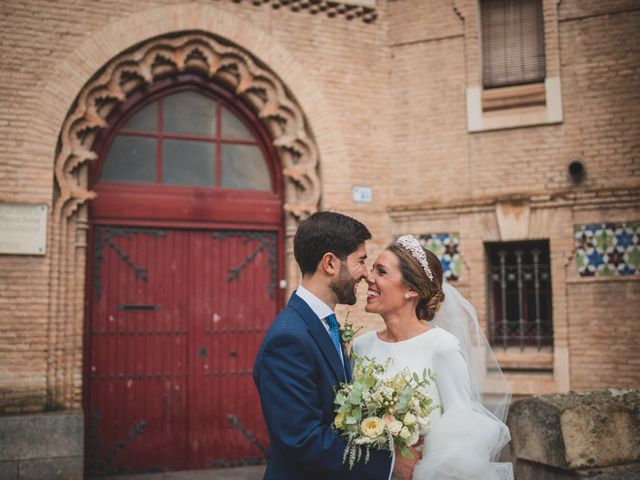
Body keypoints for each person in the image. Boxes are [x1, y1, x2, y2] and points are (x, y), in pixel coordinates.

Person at [253, 212, 416, 480]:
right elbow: (303, 440)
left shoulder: (324, 324)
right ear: (330, 263)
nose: (366, 274)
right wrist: (387, 465)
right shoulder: (288, 339)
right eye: (361, 261)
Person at [353, 235, 513, 480]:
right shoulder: (361, 346)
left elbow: (462, 433)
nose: (369, 278)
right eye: (372, 269)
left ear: (411, 290)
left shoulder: (442, 348)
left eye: (381, 272)